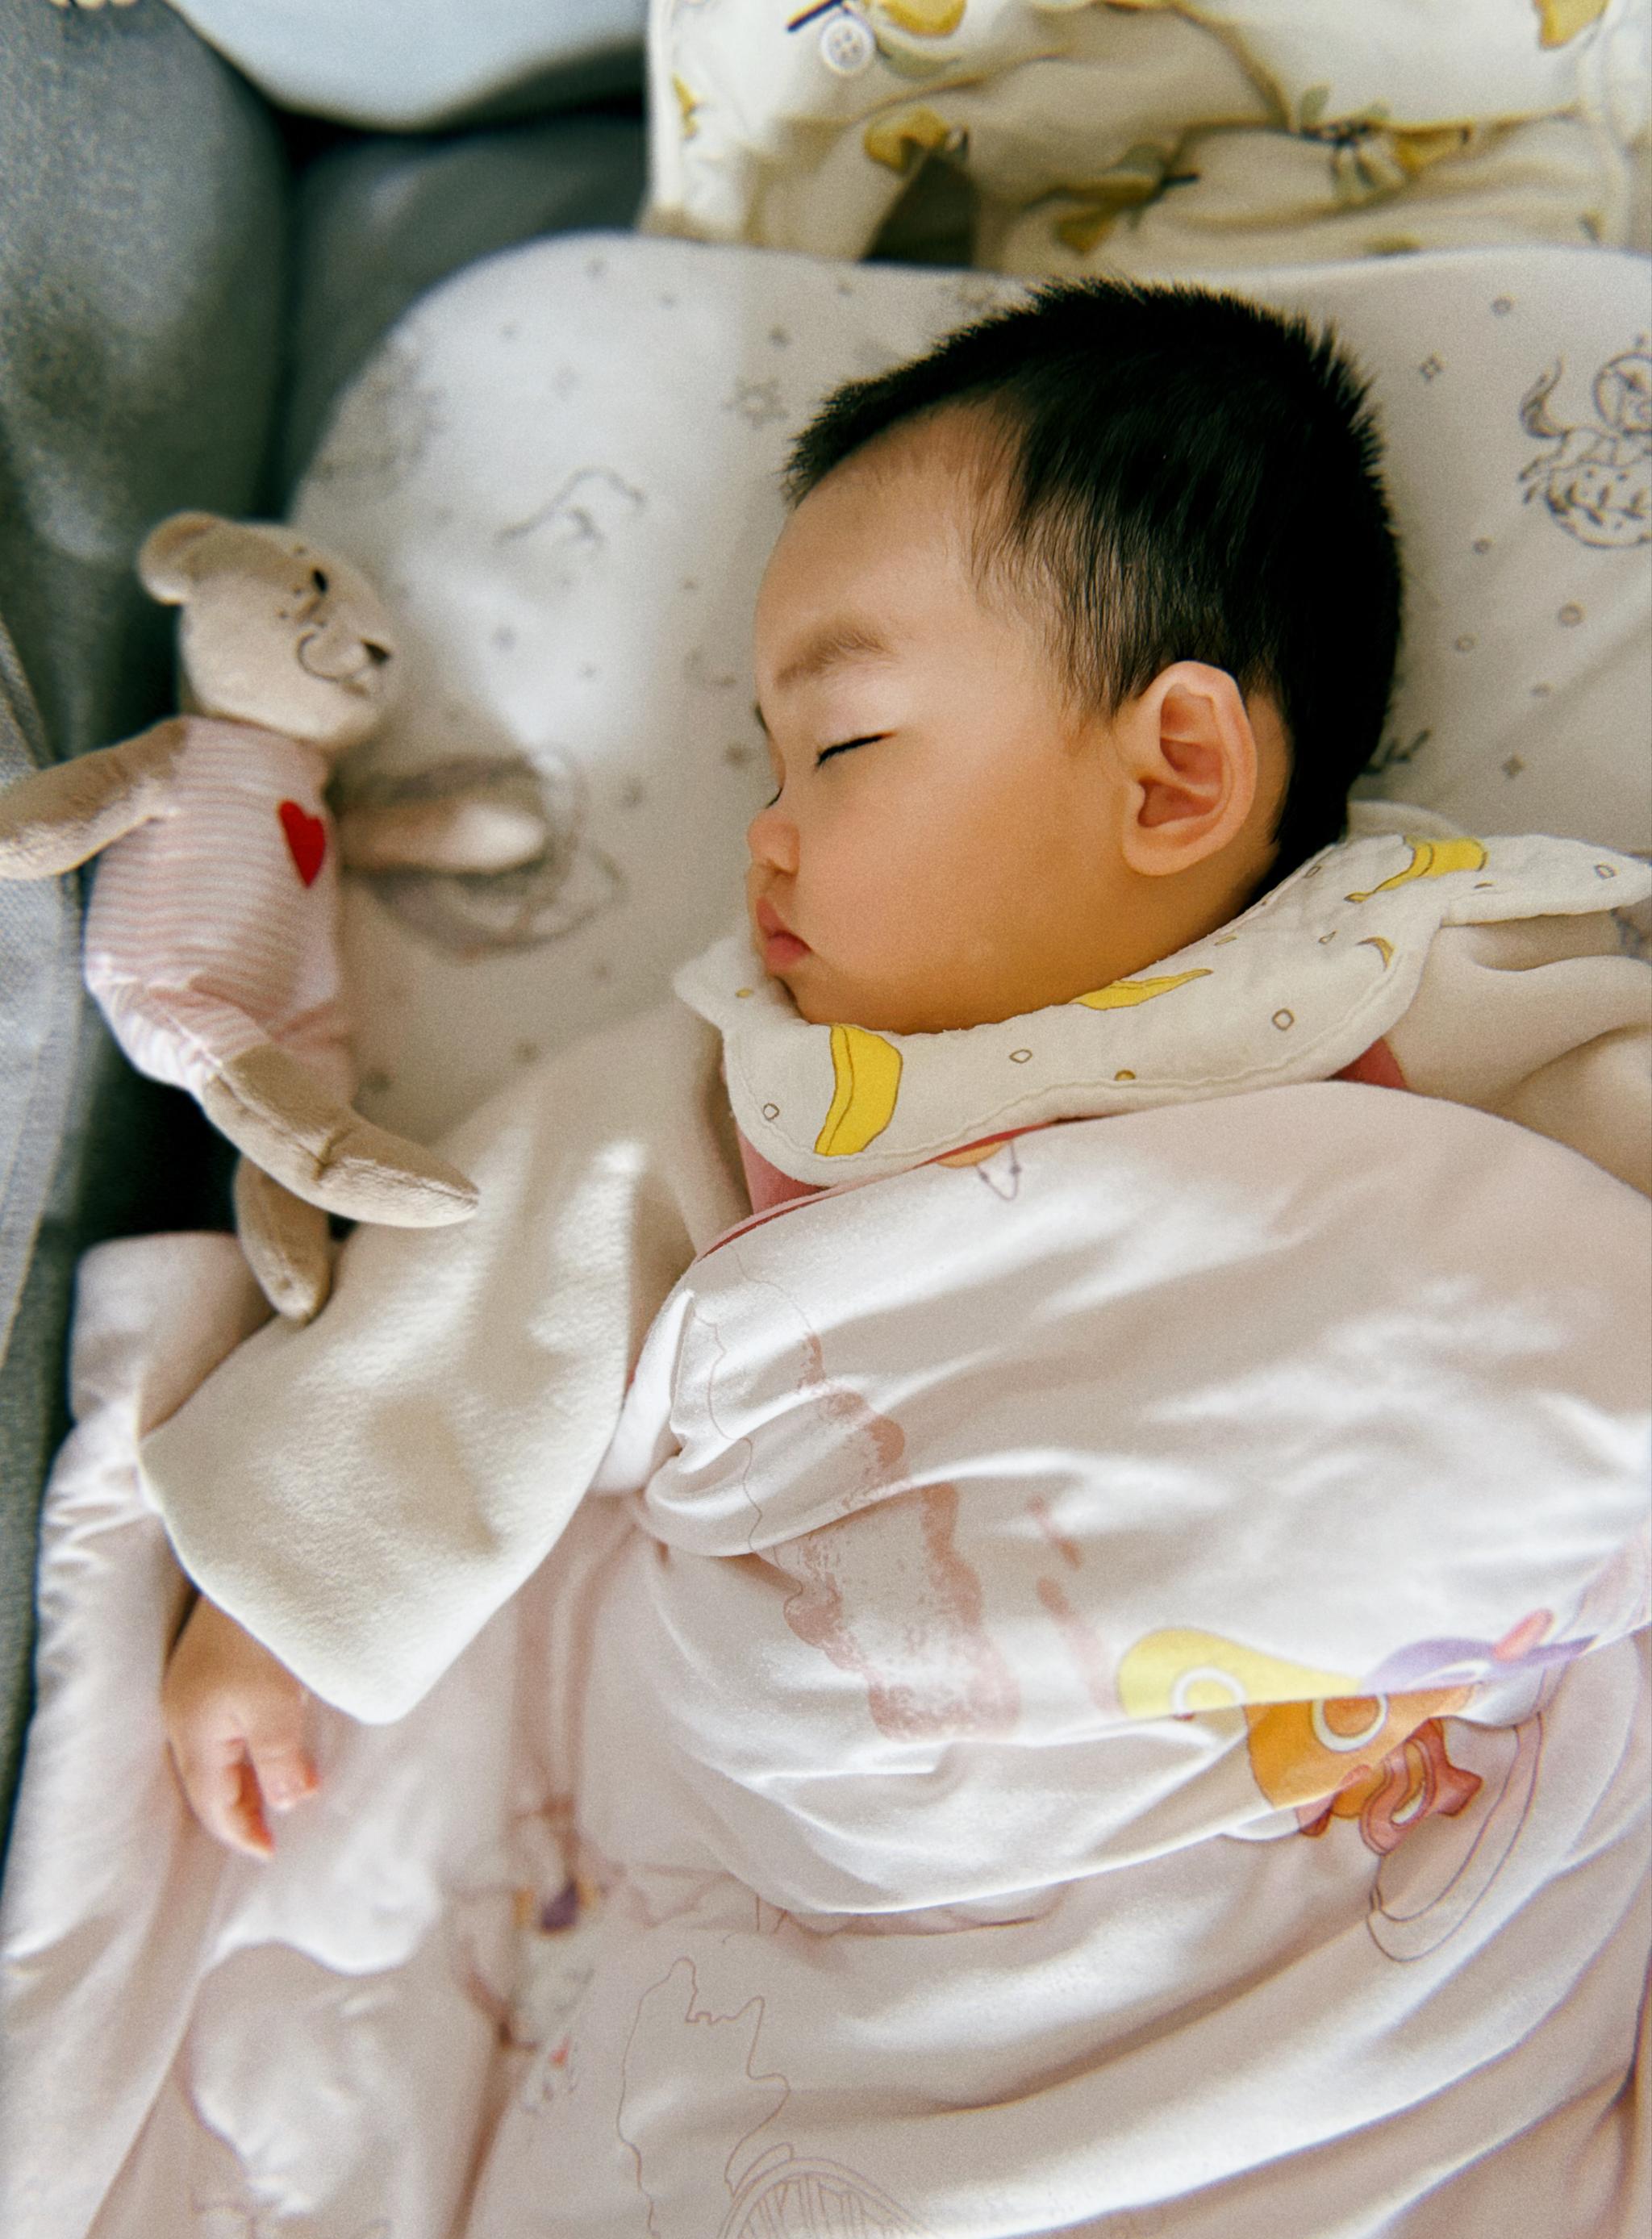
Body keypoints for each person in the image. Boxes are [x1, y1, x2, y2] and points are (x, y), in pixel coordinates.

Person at [149, 279, 1651, 1857]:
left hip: (1361, 1775)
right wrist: (283, 1600)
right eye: (770, 764)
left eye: (843, 746)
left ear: (1174, 772)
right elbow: (516, 1264)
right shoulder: (765, 1083)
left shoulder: (1404, 976)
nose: (765, 832)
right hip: (913, 1807)